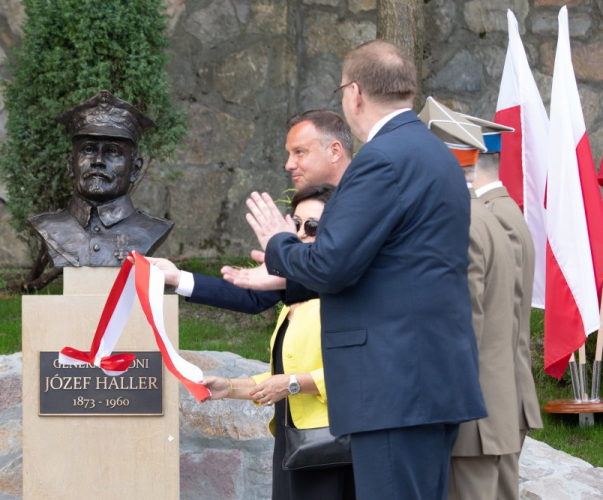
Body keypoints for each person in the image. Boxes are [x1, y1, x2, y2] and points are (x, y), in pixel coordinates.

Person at [232, 40, 487, 500]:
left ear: (354, 94)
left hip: (393, 385)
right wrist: (289, 276)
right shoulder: (438, 157)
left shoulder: (381, 159)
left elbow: (332, 264)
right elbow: (396, 264)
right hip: (431, 378)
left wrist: (279, 243)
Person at [149, 185, 355, 500]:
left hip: (331, 446)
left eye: (311, 227)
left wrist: (292, 384)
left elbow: (353, 372)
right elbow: (280, 374)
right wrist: (231, 388)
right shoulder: (294, 301)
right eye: (294, 225)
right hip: (293, 444)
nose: (299, 235)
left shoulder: (345, 297)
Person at [419, 102, 521, 500]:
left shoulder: (461, 221)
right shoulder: (484, 216)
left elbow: (465, 326)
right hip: (491, 406)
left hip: (470, 414)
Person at [175, 110, 353, 315]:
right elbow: (255, 295)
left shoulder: (371, 204)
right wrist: (177, 278)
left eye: (300, 152)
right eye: (297, 225)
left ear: (334, 151)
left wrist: (289, 267)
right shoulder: (312, 203)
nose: (288, 164)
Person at [471, 119, 543, 500]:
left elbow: (498, 310)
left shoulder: (493, 216)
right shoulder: (500, 209)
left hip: (492, 396)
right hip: (498, 396)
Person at [29, 90, 173, 267]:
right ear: (71, 164)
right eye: (88, 150)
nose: (98, 161)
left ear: (135, 169)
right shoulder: (46, 226)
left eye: (113, 152)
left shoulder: (151, 230)